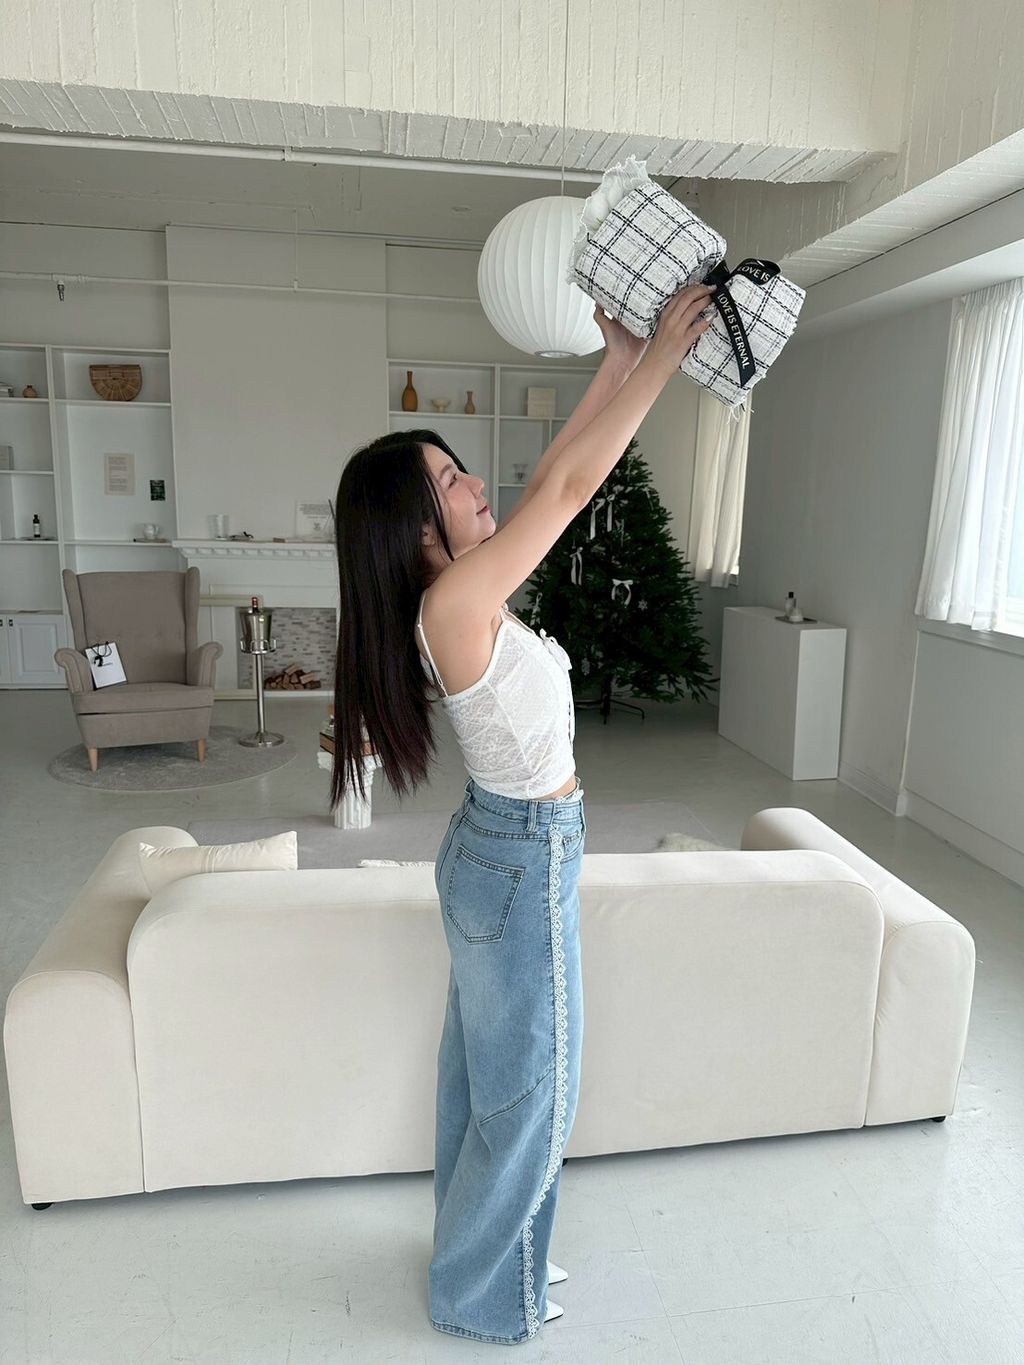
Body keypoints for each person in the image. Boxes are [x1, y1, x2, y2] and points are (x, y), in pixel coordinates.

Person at [330, 283, 716, 1345]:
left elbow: (553, 480)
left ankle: (482, 1261)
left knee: (489, 1084)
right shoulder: (454, 604)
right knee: (533, 1090)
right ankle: (483, 1297)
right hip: (520, 856)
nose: (475, 486)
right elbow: (573, 487)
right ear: (415, 528)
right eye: (450, 481)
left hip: (500, 853)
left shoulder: (463, 594)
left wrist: (617, 361)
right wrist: (662, 362)